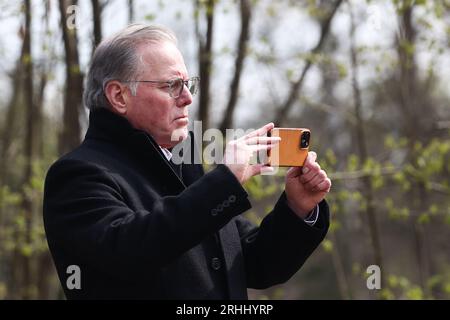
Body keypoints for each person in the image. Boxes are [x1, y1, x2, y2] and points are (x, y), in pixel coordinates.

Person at [43, 24, 332, 300]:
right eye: (171, 85)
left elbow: (255, 265)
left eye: (187, 84)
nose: (187, 98)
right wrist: (224, 182)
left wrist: (297, 208)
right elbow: (130, 251)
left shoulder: (187, 168)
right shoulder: (77, 175)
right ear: (119, 96)